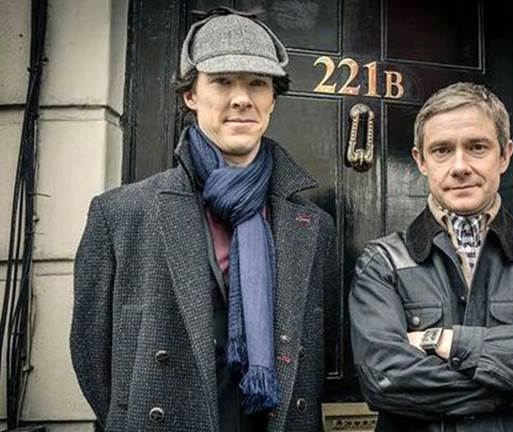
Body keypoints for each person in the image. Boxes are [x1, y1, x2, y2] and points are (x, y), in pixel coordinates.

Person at [70, 8, 335, 432]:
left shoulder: (314, 226)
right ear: (190, 95)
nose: (242, 99)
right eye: (222, 81)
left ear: (273, 98)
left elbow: (317, 352)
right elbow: (92, 355)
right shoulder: (120, 214)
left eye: (258, 83)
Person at [349, 82, 513, 431]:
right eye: (442, 150)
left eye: (477, 147)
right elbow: (384, 380)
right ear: (421, 160)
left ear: (505, 155)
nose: (460, 166)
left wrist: (441, 341)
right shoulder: (383, 263)